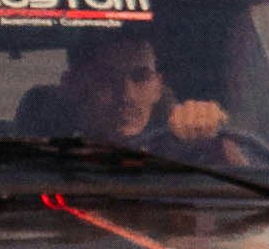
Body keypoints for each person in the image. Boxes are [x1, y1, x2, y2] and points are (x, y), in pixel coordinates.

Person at [32, 28, 243, 157]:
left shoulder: (183, 158)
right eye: (106, 80)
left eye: (141, 78)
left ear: (159, 87)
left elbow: (248, 192)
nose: (126, 96)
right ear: (75, 86)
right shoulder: (34, 169)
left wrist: (213, 140)